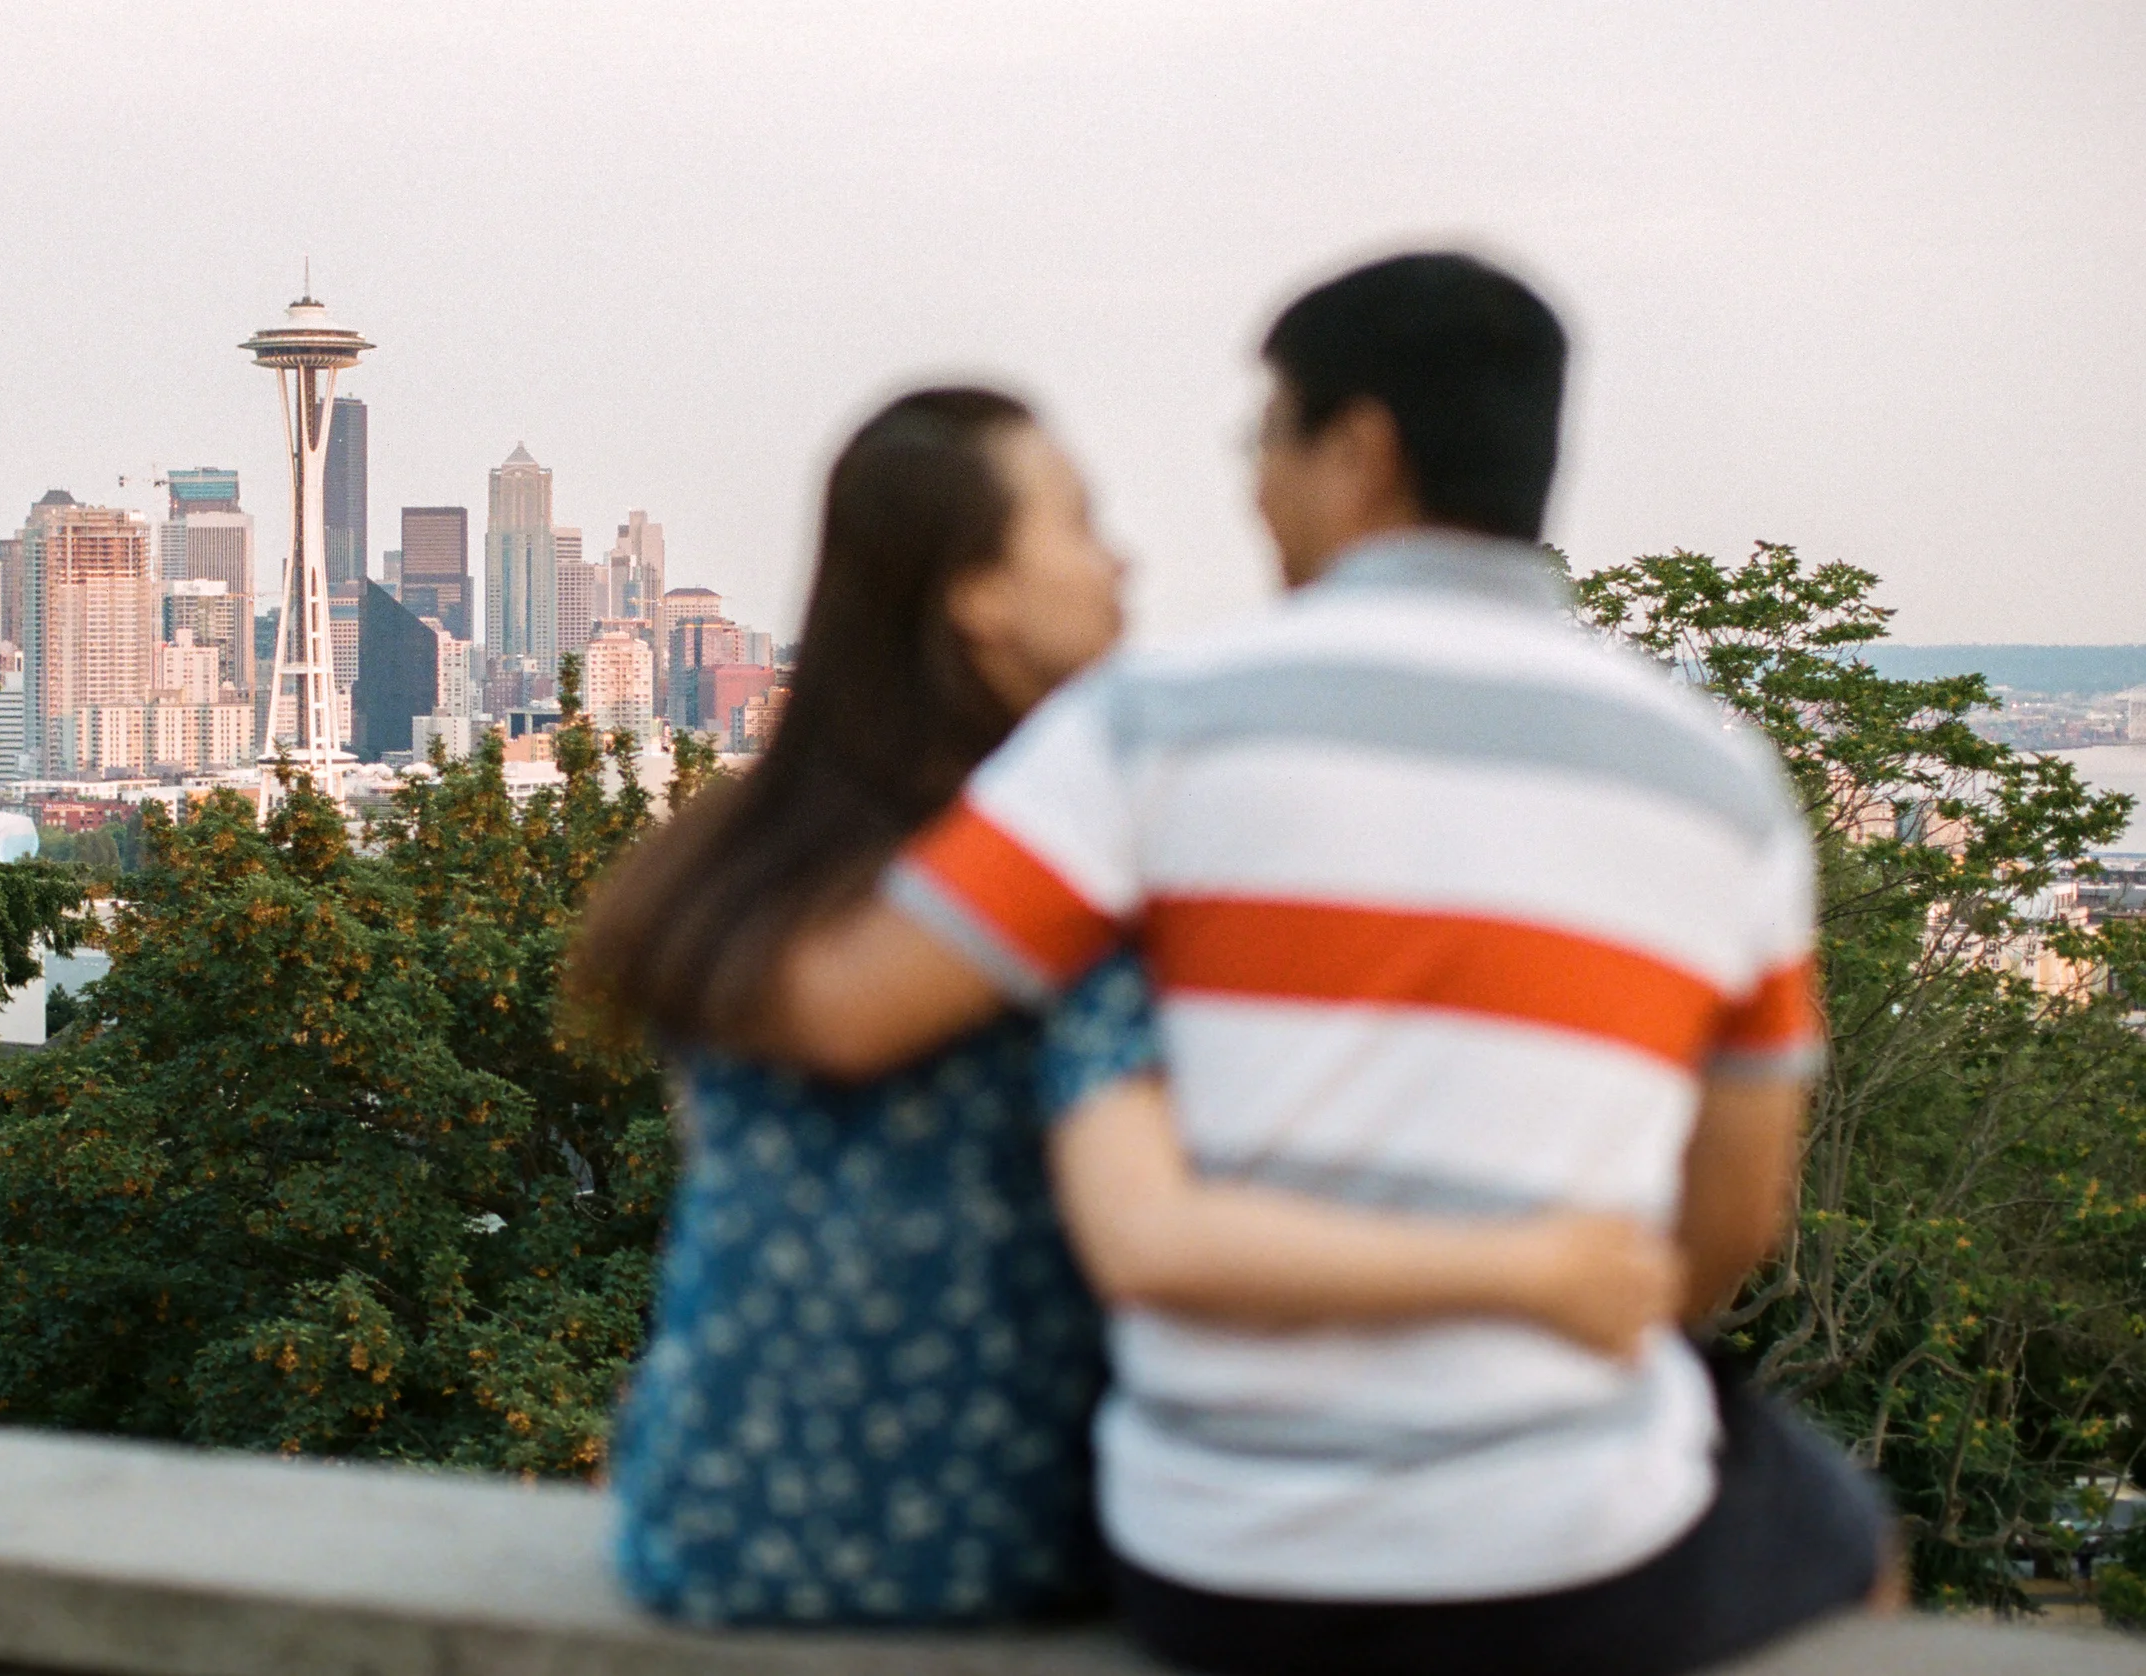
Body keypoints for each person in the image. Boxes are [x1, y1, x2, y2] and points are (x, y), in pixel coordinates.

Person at [754, 257, 1893, 1673]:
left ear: (1359, 451)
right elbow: (1727, 1225)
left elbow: (848, 1009)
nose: (1252, 488)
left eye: (1265, 440)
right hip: (1563, 1562)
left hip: (1211, 1560)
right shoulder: (1719, 786)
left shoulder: (1149, 722)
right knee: (1847, 1526)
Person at [572, 385, 1684, 1628]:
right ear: (979, 595)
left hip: (706, 1522)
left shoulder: (735, 872)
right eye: (1081, 523)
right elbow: (1149, 1239)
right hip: (979, 1535)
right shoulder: (1048, 899)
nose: (1123, 561)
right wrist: (1533, 1266)